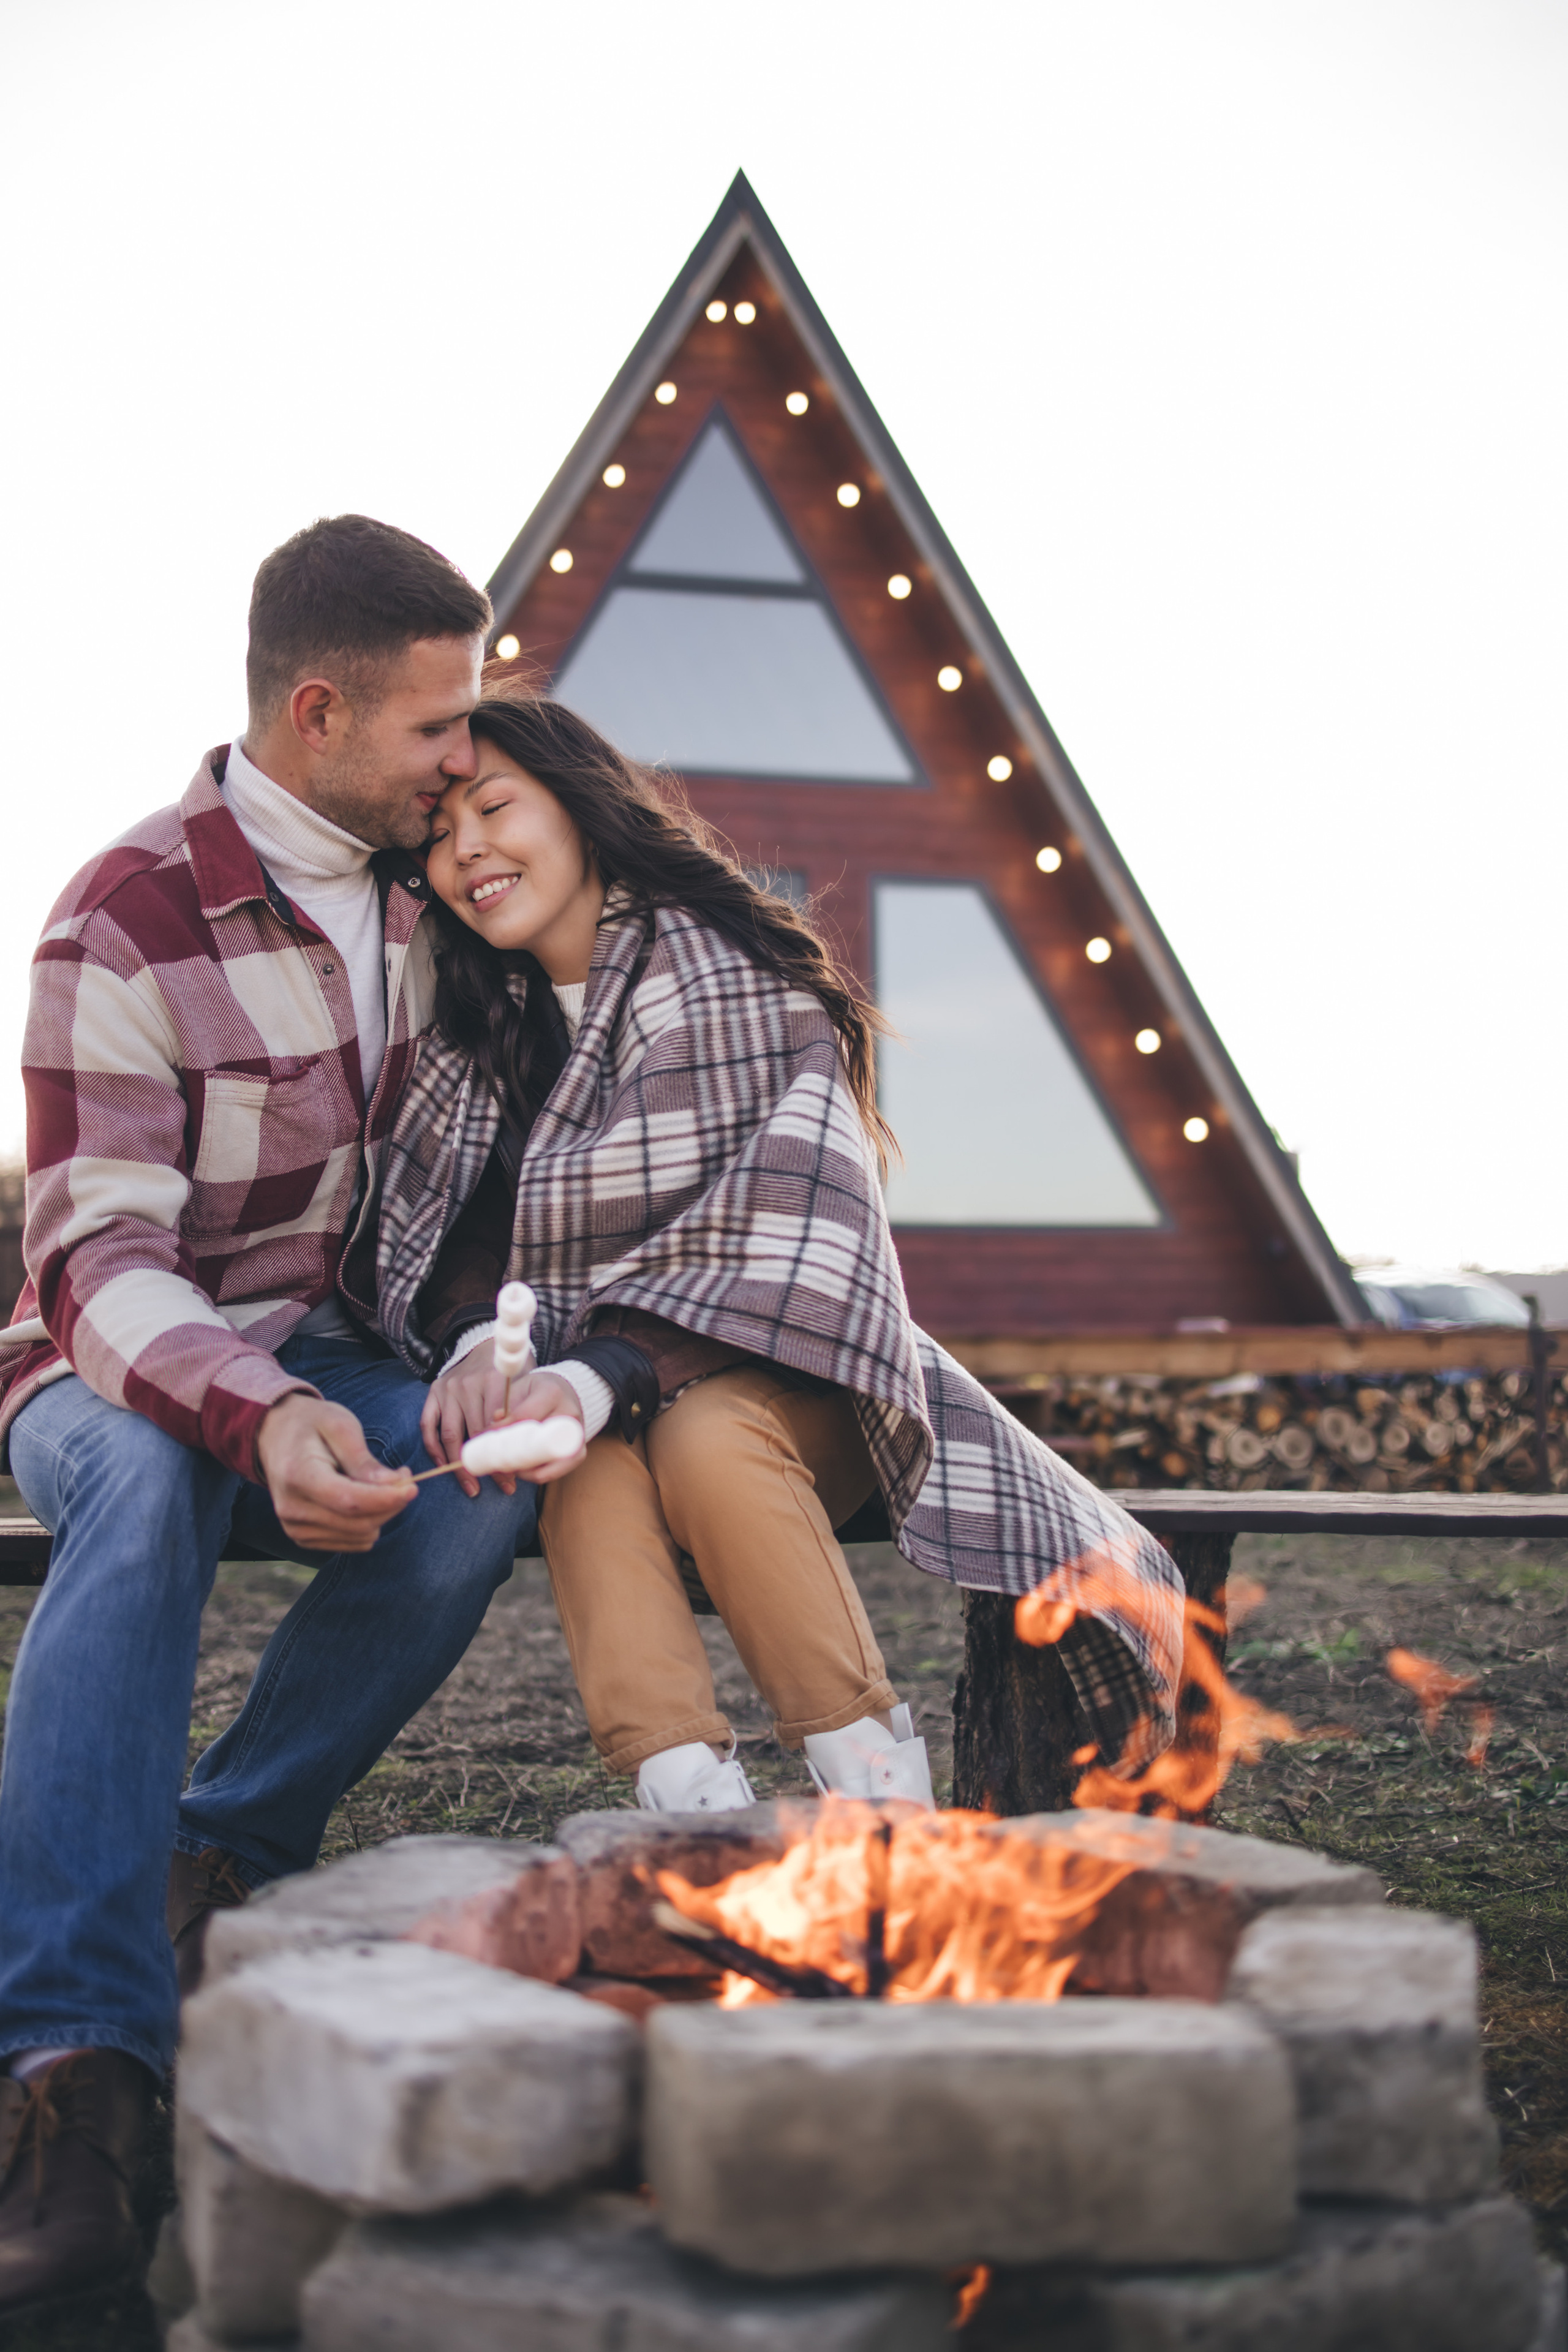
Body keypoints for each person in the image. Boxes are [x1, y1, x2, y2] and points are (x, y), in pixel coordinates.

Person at [0, 518, 539, 2323]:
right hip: (103, 1373)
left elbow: (470, 1192)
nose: (469, 758)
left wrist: (474, 1348)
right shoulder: (123, 914)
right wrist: (258, 1414)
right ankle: (76, 2071)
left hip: (325, 1349)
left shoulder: (426, 895)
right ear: (318, 713)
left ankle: (215, 1847)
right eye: (436, 727)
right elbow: (94, 1262)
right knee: (147, 1480)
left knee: (477, 1487)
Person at [375, 692, 1185, 1819]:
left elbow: (795, 1230)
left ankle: (873, 1783)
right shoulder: (475, 1026)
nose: (466, 851)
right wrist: (478, 1343)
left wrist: (599, 1373)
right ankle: (688, 1797)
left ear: (579, 806)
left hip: (794, 1381)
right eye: (435, 836)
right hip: (595, 1401)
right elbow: (457, 1232)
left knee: (707, 1434)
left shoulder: (738, 981)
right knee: (573, 1465)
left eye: (495, 807)